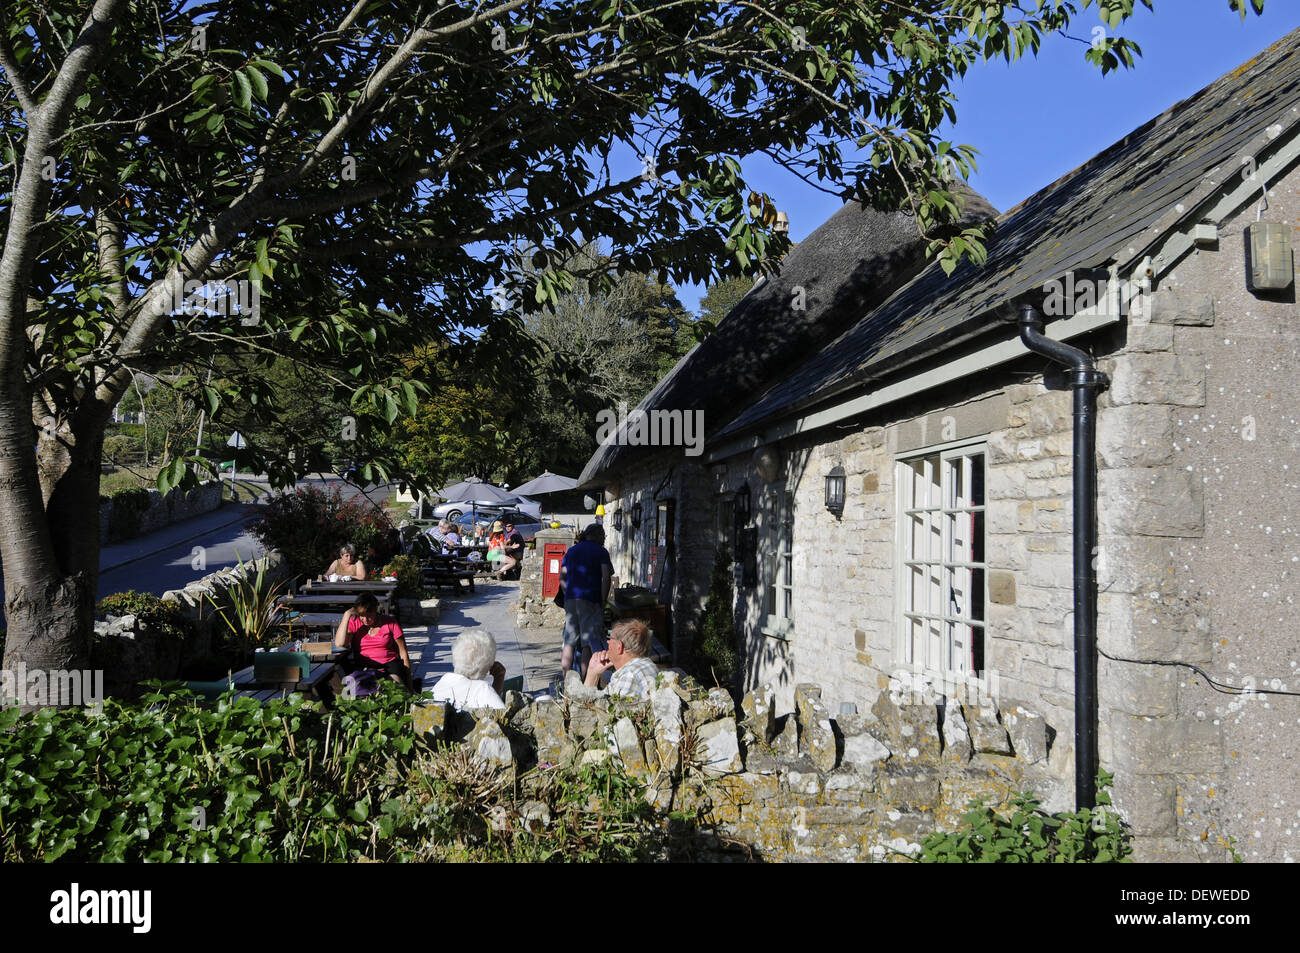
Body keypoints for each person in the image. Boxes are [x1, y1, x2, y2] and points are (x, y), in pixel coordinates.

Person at [558, 523, 613, 681]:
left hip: (571, 599)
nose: (603, 539)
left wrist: (567, 592)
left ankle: (566, 682)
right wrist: (603, 600)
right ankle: (584, 681)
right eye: (603, 536)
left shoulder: (572, 551)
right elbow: (606, 577)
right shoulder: (601, 552)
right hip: (590, 599)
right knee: (589, 642)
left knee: (569, 641)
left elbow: (563, 577)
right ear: (598, 535)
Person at [334, 593, 412, 687]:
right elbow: (339, 643)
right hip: (365, 666)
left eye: (369, 615)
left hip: (390, 665)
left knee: (394, 688)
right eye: (361, 615)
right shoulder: (355, 623)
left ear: (376, 610)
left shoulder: (390, 622)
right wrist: (346, 615)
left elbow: (403, 652)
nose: (365, 619)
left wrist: (409, 684)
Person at [428, 630, 507, 710]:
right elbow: (502, 717)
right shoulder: (482, 689)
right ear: (488, 663)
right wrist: (498, 680)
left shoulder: (443, 681)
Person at [584, 618, 657, 700]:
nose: (607, 642)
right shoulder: (648, 664)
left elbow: (593, 710)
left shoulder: (629, 676)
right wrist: (594, 672)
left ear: (619, 647)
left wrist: (591, 674)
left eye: (610, 637)